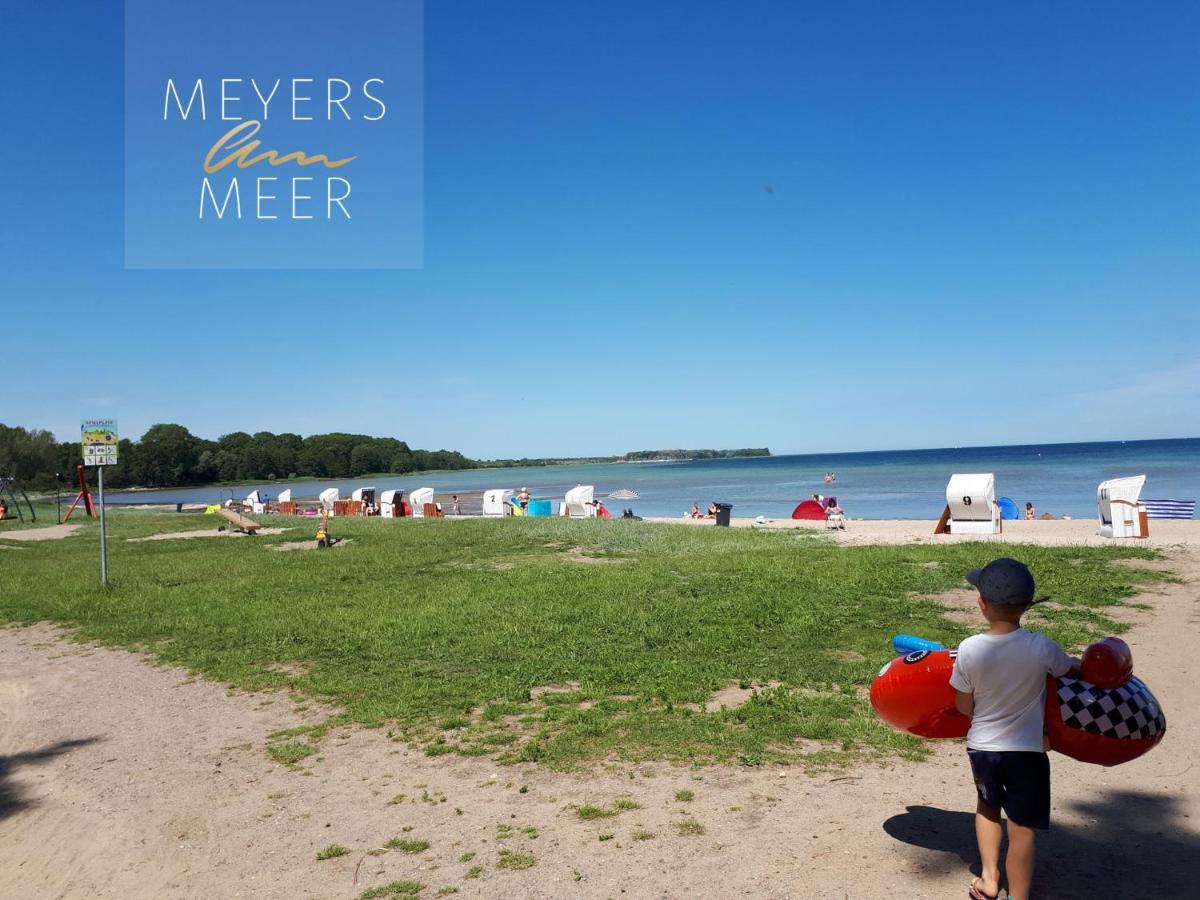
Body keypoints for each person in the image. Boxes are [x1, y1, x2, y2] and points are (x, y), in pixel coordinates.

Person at [949, 558, 1079, 900]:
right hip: (1027, 752)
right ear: (1027, 607)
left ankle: (989, 880)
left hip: (983, 749)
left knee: (988, 808)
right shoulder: (1042, 647)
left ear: (982, 604)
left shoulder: (969, 649)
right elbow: (1070, 671)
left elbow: (964, 706)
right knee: (1021, 828)